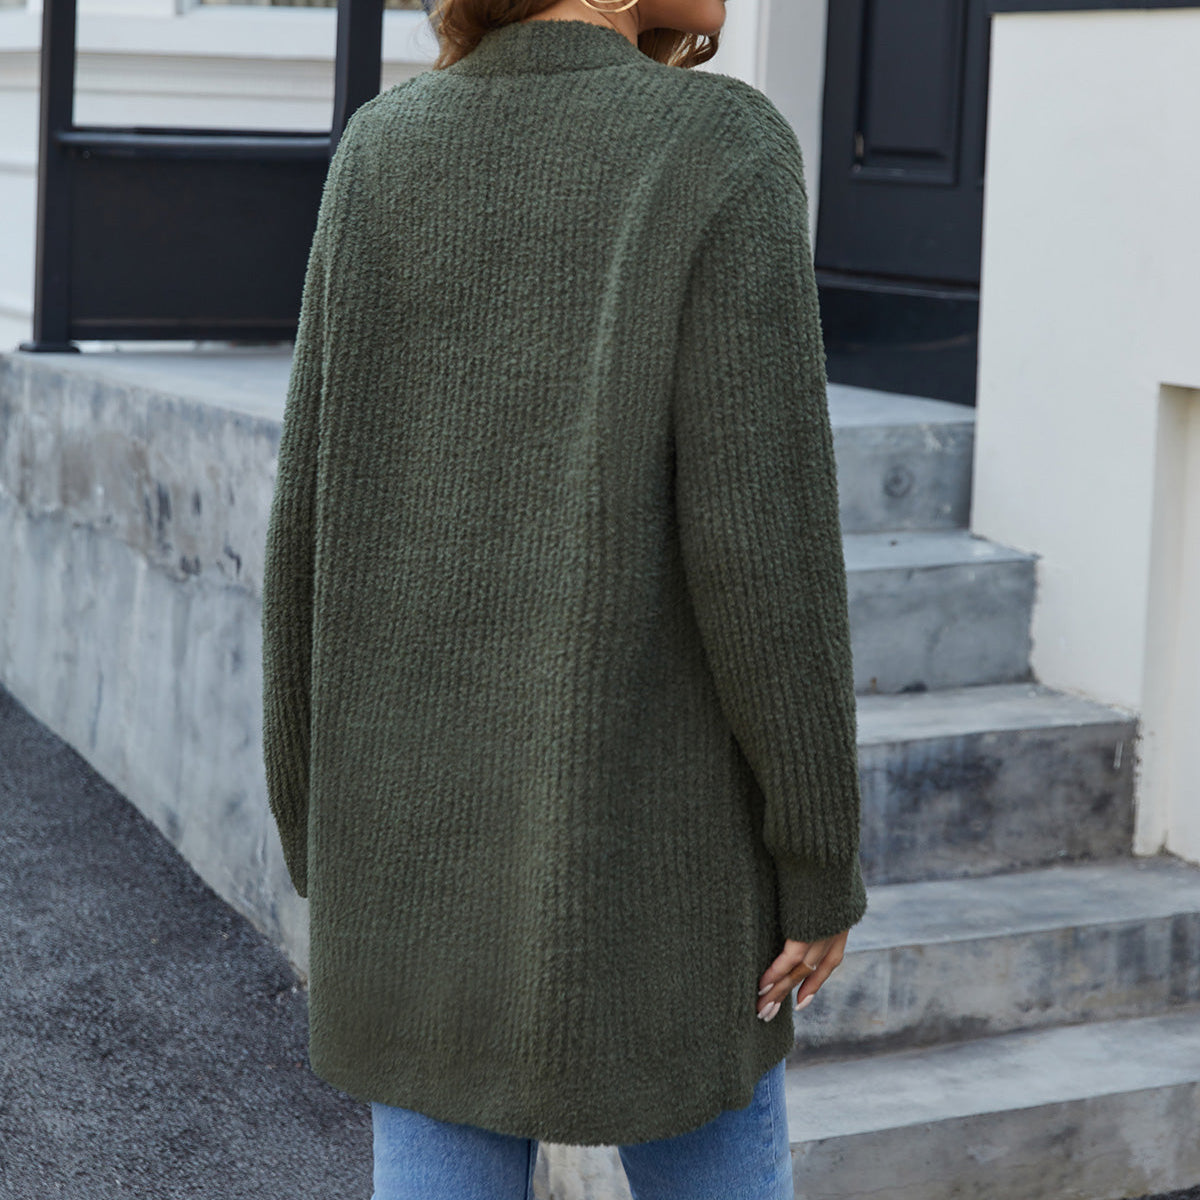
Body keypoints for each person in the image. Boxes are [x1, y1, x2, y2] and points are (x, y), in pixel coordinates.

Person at [260, 0, 870, 1195]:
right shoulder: (721, 149)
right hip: (664, 871)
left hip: (407, 856)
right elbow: (768, 553)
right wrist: (816, 854)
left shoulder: (381, 150)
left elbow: (306, 531)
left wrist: (313, 816)